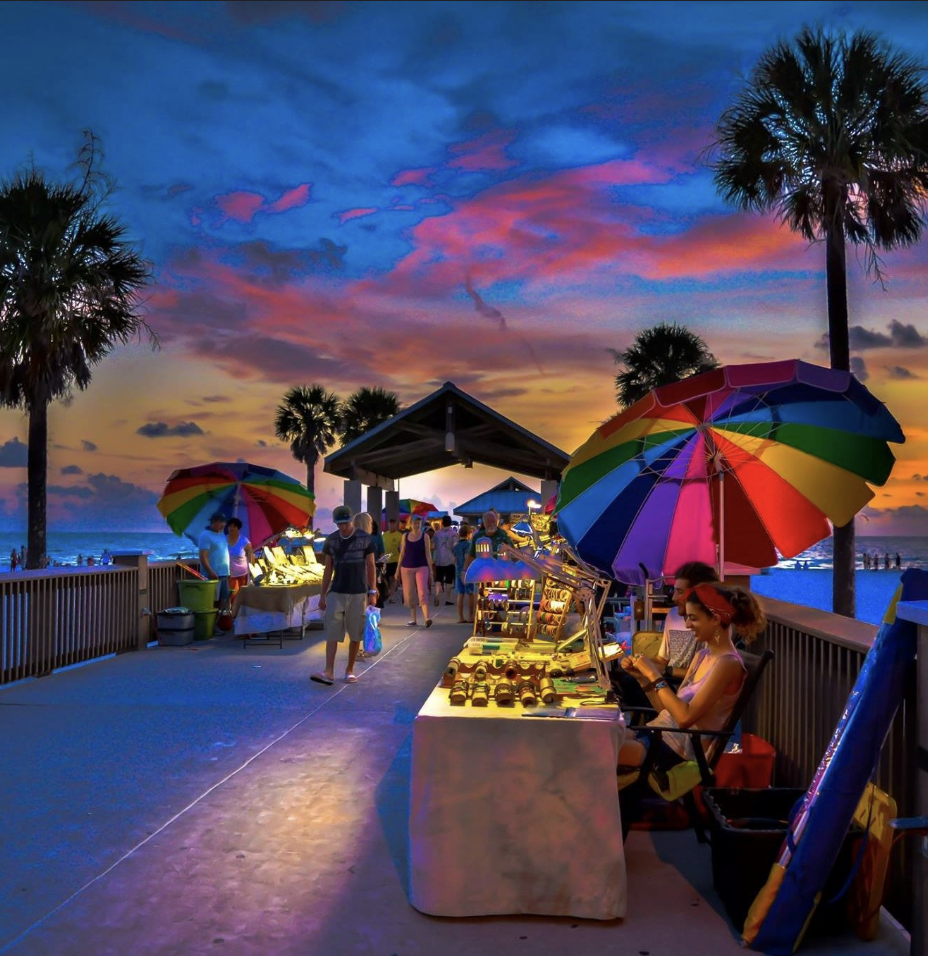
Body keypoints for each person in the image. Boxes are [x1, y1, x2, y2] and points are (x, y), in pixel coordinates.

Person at [617, 583, 766, 782]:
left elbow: (685, 718)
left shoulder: (728, 664)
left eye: (693, 618)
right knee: (601, 735)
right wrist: (643, 679)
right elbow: (666, 710)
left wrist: (655, 676)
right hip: (658, 735)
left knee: (597, 749)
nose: (687, 624)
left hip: (674, 751)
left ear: (715, 619)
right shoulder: (702, 656)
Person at [313, 506, 376, 686]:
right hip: (337, 592)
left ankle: (349, 670)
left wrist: (373, 591)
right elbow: (328, 568)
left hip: (358, 592)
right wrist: (322, 595)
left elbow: (371, 566)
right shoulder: (331, 540)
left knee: (356, 633)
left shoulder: (365, 539)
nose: (343, 527)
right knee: (332, 632)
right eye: (339, 524)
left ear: (352, 520)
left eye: (346, 523)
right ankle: (329, 671)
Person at [397, 514, 434, 627]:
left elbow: (428, 554)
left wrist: (431, 570)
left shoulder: (425, 537)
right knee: (409, 594)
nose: (416, 525)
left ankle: (427, 618)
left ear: (421, 524)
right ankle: (413, 619)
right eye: (414, 522)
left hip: (422, 566)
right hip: (406, 567)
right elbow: (402, 553)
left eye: (418, 523)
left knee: (422, 591)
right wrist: (397, 570)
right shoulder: (405, 536)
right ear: (410, 524)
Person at [198, 511, 231, 614]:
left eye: (224, 522)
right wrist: (210, 571)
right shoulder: (205, 535)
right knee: (212, 601)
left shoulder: (222, 535)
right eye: (221, 522)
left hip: (224, 574)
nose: (223, 525)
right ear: (213, 522)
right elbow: (203, 555)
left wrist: (228, 571)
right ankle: (211, 626)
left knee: (224, 600)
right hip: (212, 574)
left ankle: (221, 624)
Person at [352, 512, 386, 609]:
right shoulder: (366, 541)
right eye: (370, 523)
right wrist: (373, 589)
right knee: (364, 613)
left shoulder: (349, 540)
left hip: (350, 582)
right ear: (366, 524)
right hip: (363, 582)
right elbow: (369, 565)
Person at [225, 517, 254, 602]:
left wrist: (252, 572)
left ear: (238, 528)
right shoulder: (224, 539)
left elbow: (251, 556)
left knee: (242, 595)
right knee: (233, 595)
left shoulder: (244, 540)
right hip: (230, 573)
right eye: (229, 526)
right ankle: (233, 614)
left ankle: (240, 613)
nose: (231, 528)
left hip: (243, 573)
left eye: (234, 526)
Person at [432, 515, 458, 607]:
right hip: (450, 560)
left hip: (439, 560)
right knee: (448, 580)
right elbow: (455, 546)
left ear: (442, 523)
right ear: (450, 523)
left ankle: (437, 594)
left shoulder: (436, 533)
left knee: (438, 579)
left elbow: (433, 546)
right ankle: (447, 599)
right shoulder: (454, 533)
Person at [452, 524, 475, 623]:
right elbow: (468, 558)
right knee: (470, 594)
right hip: (468, 572)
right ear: (469, 534)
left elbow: (454, 560)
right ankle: (470, 616)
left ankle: (460, 617)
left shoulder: (455, 546)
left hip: (458, 572)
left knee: (460, 594)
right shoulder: (469, 545)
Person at [381, 518, 403, 603]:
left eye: (393, 524)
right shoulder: (384, 535)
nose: (391, 526)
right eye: (390, 524)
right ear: (388, 525)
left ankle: (392, 596)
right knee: (386, 579)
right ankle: (389, 591)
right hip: (386, 560)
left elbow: (402, 548)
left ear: (395, 525)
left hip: (395, 560)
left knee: (393, 578)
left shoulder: (399, 535)